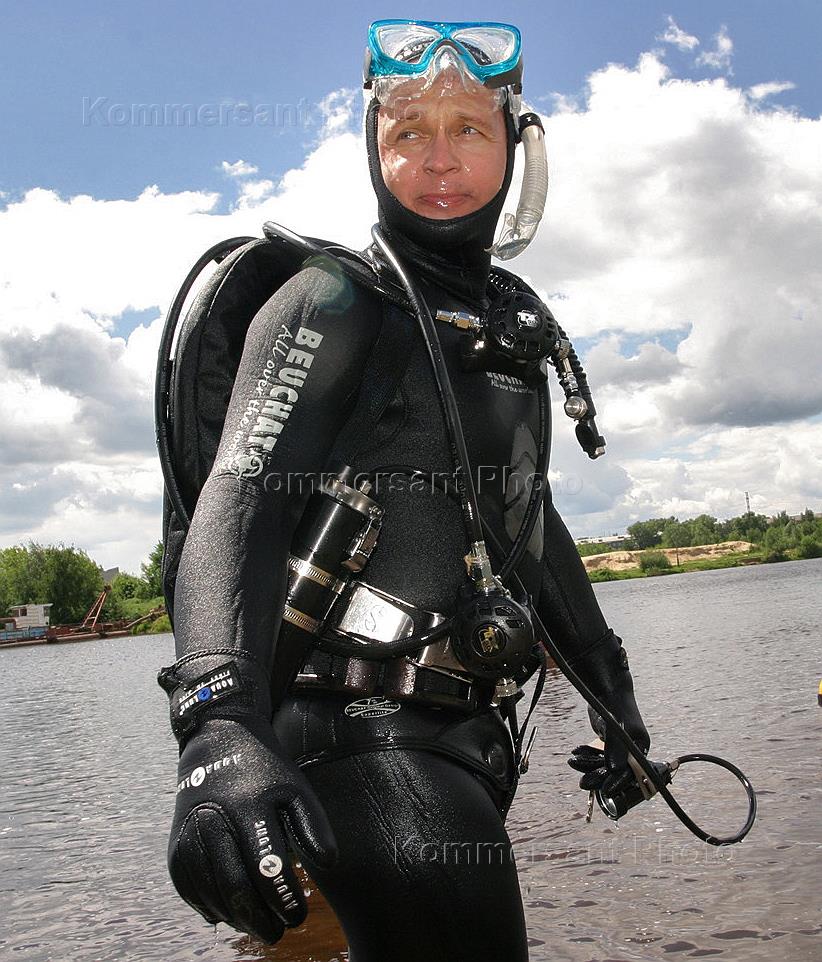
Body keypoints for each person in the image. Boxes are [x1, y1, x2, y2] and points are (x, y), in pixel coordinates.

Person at [157, 19, 651, 962]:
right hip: (357, 737)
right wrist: (216, 723)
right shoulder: (331, 301)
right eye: (409, 131)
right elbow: (240, 496)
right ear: (373, 148)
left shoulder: (507, 325)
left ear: (518, 145)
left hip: (467, 732)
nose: (439, 158)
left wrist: (613, 693)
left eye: (468, 128)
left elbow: (530, 518)